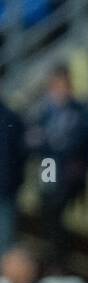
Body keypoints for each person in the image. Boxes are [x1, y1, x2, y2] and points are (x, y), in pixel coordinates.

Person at [26, 65, 88, 266]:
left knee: (57, 210)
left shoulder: (79, 111)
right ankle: (54, 259)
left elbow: (80, 142)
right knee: (48, 208)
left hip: (69, 170)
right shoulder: (44, 112)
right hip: (49, 166)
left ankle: (61, 260)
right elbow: (36, 142)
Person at [0, 93, 26, 254]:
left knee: (5, 243)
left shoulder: (12, 118)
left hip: (5, 192)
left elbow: (22, 154)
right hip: (7, 190)